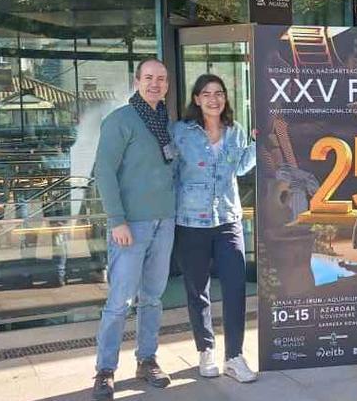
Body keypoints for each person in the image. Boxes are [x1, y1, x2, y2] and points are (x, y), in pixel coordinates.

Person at [91, 58, 177, 400]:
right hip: (130, 226)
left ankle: (147, 360)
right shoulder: (120, 120)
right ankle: (105, 370)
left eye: (161, 78)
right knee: (119, 302)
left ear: (167, 84)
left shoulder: (166, 122)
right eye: (149, 77)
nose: (155, 83)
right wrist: (117, 220)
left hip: (164, 222)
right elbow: (104, 172)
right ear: (136, 81)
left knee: (152, 298)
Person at [172, 73, 258, 383]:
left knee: (235, 287)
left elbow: (241, 167)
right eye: (206, 94)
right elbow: (170, 171)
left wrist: (257, 144)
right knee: (198, 290)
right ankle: (205, 349)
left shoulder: (235, 131)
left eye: (219, 93)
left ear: (225, 98)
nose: (213, 99)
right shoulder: (180, 132)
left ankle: (234, 356)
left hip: (227, 221)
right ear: (196, 99)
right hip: (190, 222)